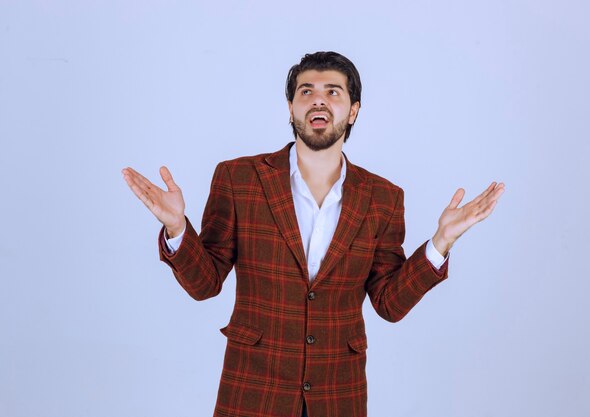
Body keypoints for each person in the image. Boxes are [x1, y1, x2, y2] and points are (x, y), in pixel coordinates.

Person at [122, 51, 505, 417]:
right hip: (254, 391)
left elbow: (390, 304)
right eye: (306, 92)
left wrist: (440, 243)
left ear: (353, 111)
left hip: (339, 395)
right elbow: (205, 283)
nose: (318, 101)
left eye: (333, 92)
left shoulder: (384, 198)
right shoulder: (238, 179)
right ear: (291, 108)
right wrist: (177, 228)